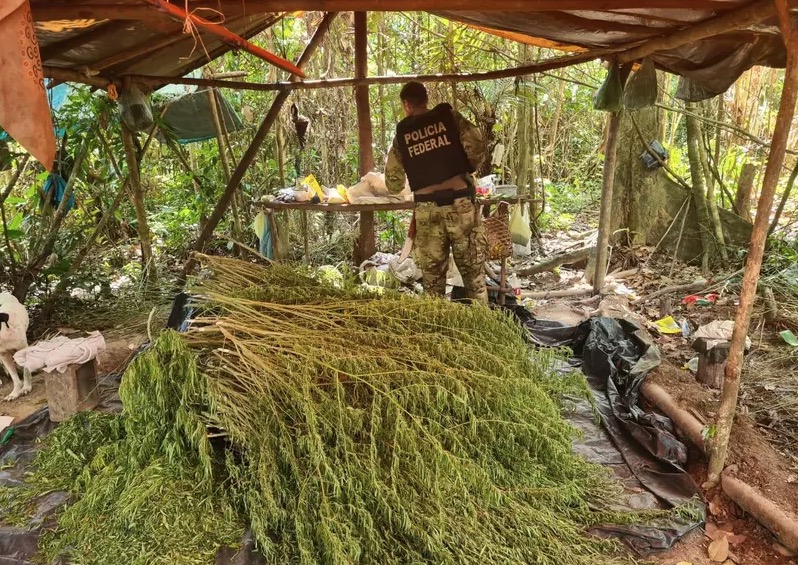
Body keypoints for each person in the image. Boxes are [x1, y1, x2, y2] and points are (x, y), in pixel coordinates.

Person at [385, 81, 487, 302]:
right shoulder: (449, 117)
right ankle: (483, 328)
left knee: (433, 284)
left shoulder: (402, 134)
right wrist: (468, 167)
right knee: (474, 278)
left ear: (406, 105)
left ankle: (438, 331)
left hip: (427, 210)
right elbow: (477, 143)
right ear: (426, 98)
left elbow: (393, 181)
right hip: (461, 205)